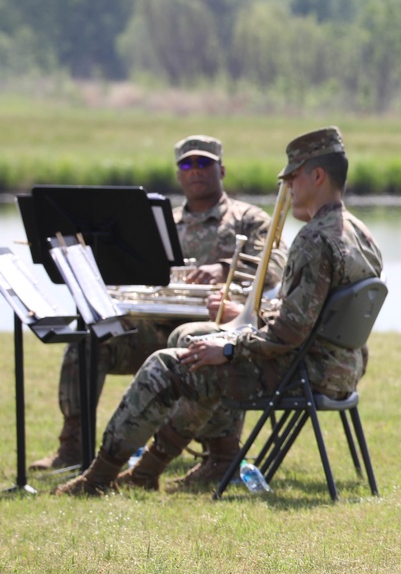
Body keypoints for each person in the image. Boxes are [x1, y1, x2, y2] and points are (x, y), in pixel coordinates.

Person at [55, 125, 383, 497]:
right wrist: (238, 327)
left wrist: (227, 348)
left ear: (317, 176)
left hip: (301, 371)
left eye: (292, 177)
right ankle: (149, 471)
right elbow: (308, 316)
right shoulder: (361, 233)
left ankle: (98, 478)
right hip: (340, 370)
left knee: (167, 364)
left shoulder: (314, 238)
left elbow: (287, 334)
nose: (289, 188)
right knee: (197, 347)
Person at [31, 135, 286, 479]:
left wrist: (224, 268)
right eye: (186, 164)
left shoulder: (250, 219)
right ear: (178, 174)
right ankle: (73, 446)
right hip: (155, 327)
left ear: (221, 170)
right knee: (92, 341)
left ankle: (218, 455)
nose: (194, 171)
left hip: (214, 329)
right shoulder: (154, 220)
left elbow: (274, 267)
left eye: (203, 163)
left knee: (199, 342)